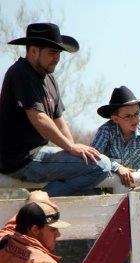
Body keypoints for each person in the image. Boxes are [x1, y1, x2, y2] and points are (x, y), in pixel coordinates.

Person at [0, 23, 112, 196]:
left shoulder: (49, 78)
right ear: (33, 51)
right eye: (52, 52)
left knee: (92, 172)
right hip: (20, 158)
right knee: (100, 166)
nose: (57, 58)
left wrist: (73, 148)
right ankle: (37, 206)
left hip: (37, 155)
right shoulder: (20, 72)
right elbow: (39, 118)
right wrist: (70, 147)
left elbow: (59, 121)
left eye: (59, 52)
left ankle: (39, 207)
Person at [91, 86, 140, 187]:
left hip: (139, 184)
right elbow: (94, 157)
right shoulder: (106, 131)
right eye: (128, 116)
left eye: (136, 114)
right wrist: (117, 168)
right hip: (110, 188)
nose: (134, 119)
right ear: (115, 119)